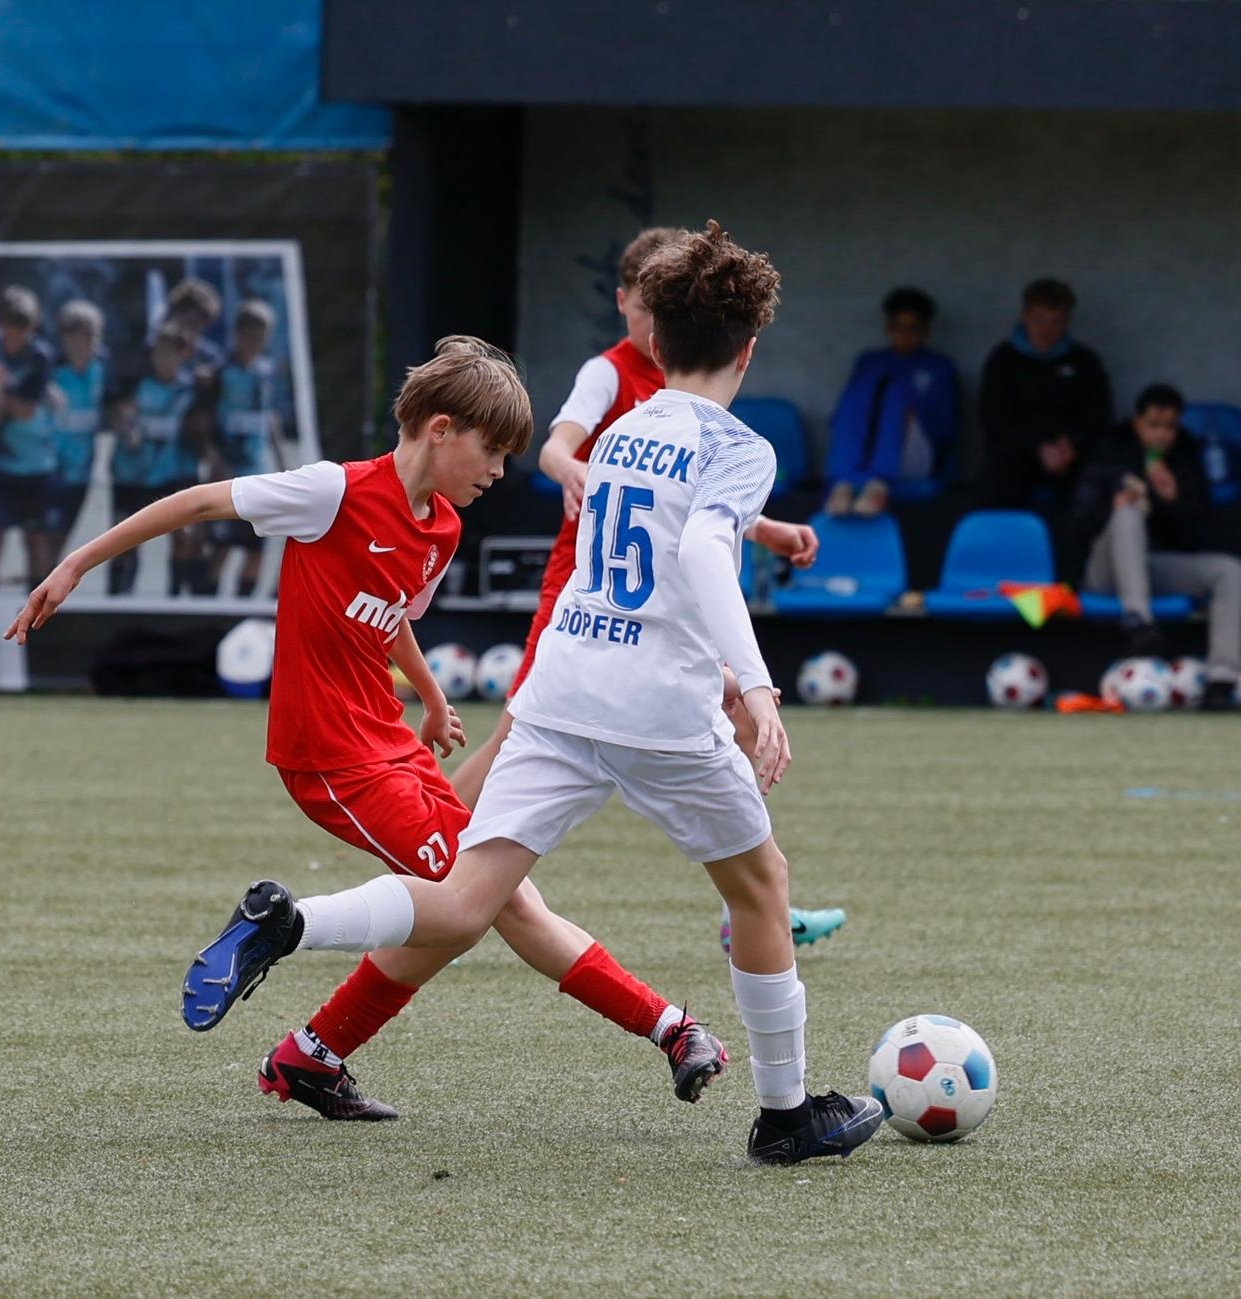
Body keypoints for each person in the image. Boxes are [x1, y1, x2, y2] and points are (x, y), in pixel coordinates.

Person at [178, 224, 886, 1164]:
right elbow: (702, 554)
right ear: (748, 350)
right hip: (655, 712)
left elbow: (627, 580)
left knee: (466, 901)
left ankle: (293, 920)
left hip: (560, 691)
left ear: (654, 341)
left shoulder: (622, 432)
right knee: (760, 885)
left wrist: (718, 667)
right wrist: (751, 684)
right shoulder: (739, 447)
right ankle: (787, 1114)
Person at [6, 336, 729, 1121]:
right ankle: (671, 1028)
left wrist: (430, 694)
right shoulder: (332, 492)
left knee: (458, 914)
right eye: (491, 450)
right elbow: (199, 502)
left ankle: (311, 1055)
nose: (497, 471)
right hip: (329, 757)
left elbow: (391, 613)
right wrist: (76, 563)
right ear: (441, 429)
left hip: (390, 743)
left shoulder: (441, 527)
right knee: (503, 900)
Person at [450, 226, 846, 954]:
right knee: (509, 741)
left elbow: (685, 509)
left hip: (640, 608)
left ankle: (748, 901)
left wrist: (763, 528)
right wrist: (572, 469)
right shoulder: (613, 381)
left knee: (732, 726)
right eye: (638, 304)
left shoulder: (653, 416)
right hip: (594, 594)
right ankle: (426, 839)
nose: (644, 320)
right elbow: (564, 453)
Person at [1069, 383, 1241, 711]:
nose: (1162, 435)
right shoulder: (1110, 449)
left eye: (1170, 427)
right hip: (1104, 571)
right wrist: (1112, 507)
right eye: (1154, 425)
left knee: (1229, 571)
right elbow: (1076, 524)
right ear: (1137, 423)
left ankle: (1222, 679)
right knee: (1127, 515)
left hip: (1153, 568)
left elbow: (1197, 537)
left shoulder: (1185, 456)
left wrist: (1172, 501)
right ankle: (1139, 624)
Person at [822, 287, 959, 517]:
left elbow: (946, 430)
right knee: (865, 385)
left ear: (926, 331)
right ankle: (843, 483)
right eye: (898, 327)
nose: (904, 335)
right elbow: (845, 416)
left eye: (912, 328)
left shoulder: (939, 367)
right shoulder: (870, 362)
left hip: (914, 456)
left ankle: (877, 485)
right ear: (888, 328)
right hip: (865, 452)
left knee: (897, 392)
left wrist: (910, 416)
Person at [979, 277, 1112, 509]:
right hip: (1017, 452)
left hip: (1070, 453)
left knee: (1095, 490)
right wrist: (1038, 447)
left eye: (1057, 321)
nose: (1047, 330)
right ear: (1024, 316)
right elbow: (992, 417)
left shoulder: (1083, 360)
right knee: (995, 484)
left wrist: (1070, 443)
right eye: (1039, 320)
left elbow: (1100, 415)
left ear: (1067, 321)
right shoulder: (1003, 359)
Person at [106, 322, 202, 595]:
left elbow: (198, 427)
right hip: (130, 475)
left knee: (182, 536)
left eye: (169, 353)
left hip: (168, 476)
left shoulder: (190, 390)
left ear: (181, 355)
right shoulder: (137, 385)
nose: (163, 360)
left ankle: (175, 597)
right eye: (158, 353)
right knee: (125, 540)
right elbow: (117, 413)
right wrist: (127, 428)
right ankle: (118, 597)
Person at [200, 299, 285, 596]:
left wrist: (281, 459)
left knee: (256, 549)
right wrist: (214, 460)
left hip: (258, 472)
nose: (256, 343)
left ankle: (243, 606)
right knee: (221, 548)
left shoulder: (265, 371)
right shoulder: (220, 372)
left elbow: (268, 416)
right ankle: (209, 608)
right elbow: (204, 422)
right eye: (250, 336)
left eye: (261, 337)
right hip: (227, 474)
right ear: (237, 334)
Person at [0, 286, 56, 591]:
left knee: (36, 541)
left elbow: (25, 410)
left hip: (36, 466)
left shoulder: (39, 356)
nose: (16, 334)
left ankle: (40, 611)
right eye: (11, 325)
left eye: (23, 327)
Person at [48, 301, 108, 558]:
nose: (86, 342)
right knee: (42, 542)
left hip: (82, 472)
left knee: (60, 543)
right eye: (78, 335)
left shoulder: (103, 370)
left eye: (92, 335)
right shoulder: (51, 371)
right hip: (50, 471)